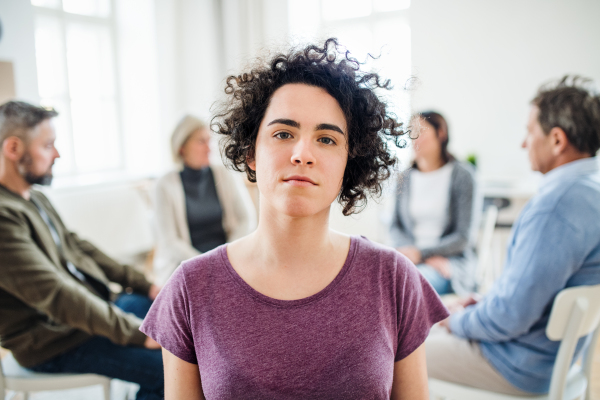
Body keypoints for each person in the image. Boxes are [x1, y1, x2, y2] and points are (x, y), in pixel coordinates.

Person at [140, 38, 449, 400]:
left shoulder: (393, 278)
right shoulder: (190, 288)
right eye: (284, 134)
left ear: (350, 162)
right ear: (251, 152)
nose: (303, 154)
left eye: (327, 139)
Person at [426, 75, 600, 395]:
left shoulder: (555, 206)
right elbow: (528, 295)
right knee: (427, 327)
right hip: (550, 357)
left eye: (530, 131)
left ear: (557, 140)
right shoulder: (591, 191)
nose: (524, 143)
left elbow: (510, 316)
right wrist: (480, 304)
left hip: (515, 364)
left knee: (397, 352)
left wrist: (456, 321)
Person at [0, 101, 164, 400]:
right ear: (13, 149)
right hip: (52, 342)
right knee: (172, 367)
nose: (57, 154)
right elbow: (56, 293)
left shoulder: (34, 198)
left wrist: (146, 284)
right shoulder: (2, 217)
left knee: (167, 314)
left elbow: (78, 247)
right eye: (48, 145)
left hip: (81, 320)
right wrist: (133, 333)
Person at [152, 115, 256, 285]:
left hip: (227, 259)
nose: (209, 149)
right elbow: (170, 242)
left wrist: (226, 258)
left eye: (209, 141)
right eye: (201, 142)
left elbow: (247, 218)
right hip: (186, 264)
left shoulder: (224, 174)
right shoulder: (164, 185)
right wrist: (207, 266)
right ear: (182, 147)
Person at [390, 111, 478, 295]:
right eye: (410, 132)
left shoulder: (463, 176)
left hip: (448, 263)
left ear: (441, 134)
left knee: (407, 286)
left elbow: (463, 237)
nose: (414, 138)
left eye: (420, 132)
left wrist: (421, 253)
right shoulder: (404, 178)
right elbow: (395, 226)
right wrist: (414, 255)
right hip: (411, 260)